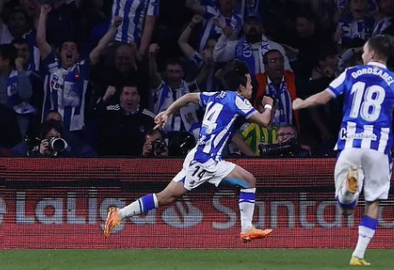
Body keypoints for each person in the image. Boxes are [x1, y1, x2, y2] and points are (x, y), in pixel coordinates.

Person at [292, 35, 394, 266]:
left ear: (373, 54)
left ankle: (348, 192)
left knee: (345, 206)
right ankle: (358, 255)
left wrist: (301, 103)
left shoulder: (350, 73)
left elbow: (324, 97)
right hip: (379, 147)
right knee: (373, 201)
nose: (362, 55)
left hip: (350, 143)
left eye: (365, 51)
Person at [104, 60, 275, 242]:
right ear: (241, 86)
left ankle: (118, 214)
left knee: (166, 197)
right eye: (249, 84)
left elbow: (188, 97)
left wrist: (167, 112)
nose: (251, 88)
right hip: (208, 161)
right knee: (249, 181)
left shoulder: (216, 95)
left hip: (198, 156)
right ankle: (247, 228)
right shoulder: (239, 101)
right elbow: (265, 121)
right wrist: (269, 104)